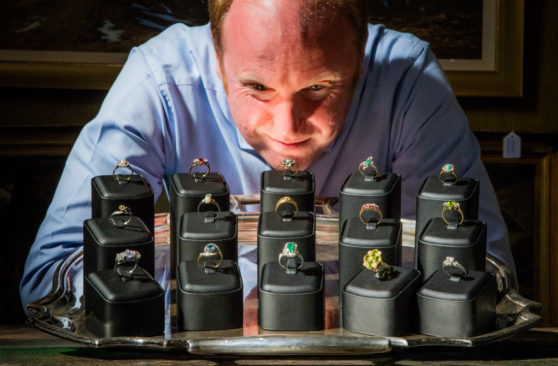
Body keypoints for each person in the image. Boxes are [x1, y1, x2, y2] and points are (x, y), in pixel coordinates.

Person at [20, 0, 515, 309]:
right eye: (257, 87)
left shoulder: (408, 79)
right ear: (215, 57)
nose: (288, 130)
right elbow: (49, 279)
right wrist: (251, 291)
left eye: (320, 87)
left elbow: (486, 272)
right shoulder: (158, 80)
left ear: (361, 58)